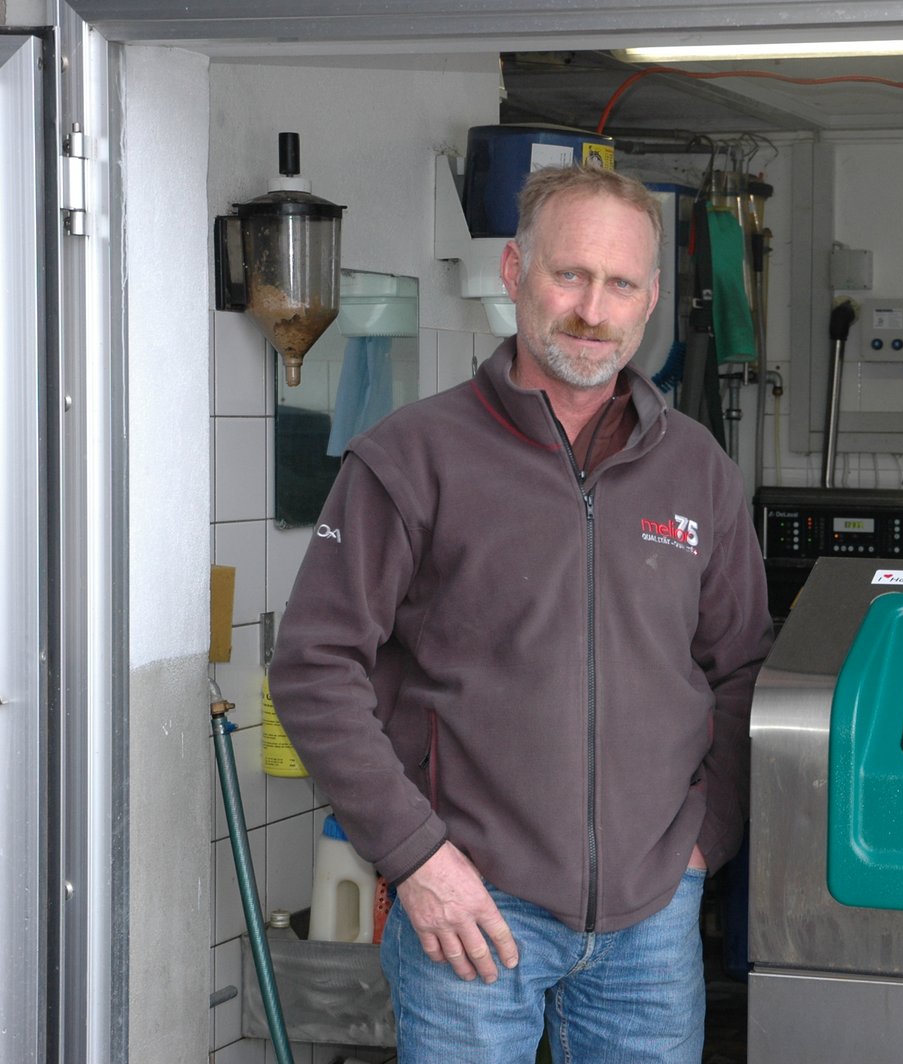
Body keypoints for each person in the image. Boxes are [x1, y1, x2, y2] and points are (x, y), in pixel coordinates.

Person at [268, 164, 773, 1063]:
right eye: (569, 274)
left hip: (653, 918)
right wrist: (415, 857)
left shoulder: (697, 469)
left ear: (651, 299)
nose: (593, 309)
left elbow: (740, 666)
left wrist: (706, 840)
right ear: (514, 272)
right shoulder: (412, 456)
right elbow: (313, 668)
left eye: (621, 284)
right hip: (470, 903)